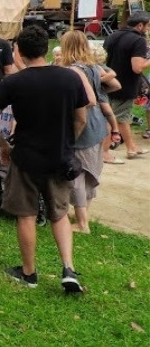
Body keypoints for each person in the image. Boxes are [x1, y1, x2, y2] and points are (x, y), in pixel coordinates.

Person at [0, 25, 88, 293]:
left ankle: (29, 272)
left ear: (18, 51)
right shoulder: (70, 78)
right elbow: (81, 118)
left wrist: (2, 144)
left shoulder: (13, 82)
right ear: (46, 48)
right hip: (60, 157)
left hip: (26, 157)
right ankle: (68, 268)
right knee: (59, 215)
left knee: (26, 215)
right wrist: (68, 142)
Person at [59, 31, 115, 234]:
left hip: (84, 126)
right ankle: (84, 215)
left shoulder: (74, 70)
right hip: (98, 124)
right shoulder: (92, 66)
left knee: (75, 175)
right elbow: (113, 86)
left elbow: (89, 99)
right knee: (90, 171)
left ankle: (82, 223)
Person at [103, 11, 150, 159]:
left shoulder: (112, 36)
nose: (148, 29)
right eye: (148, 26)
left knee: (116, 116)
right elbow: (137, 67)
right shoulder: (138, 40)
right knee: (119, 118)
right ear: (140, 25)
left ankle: (131, 147)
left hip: (108, 82)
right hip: (126, 84)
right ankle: (110, 151)